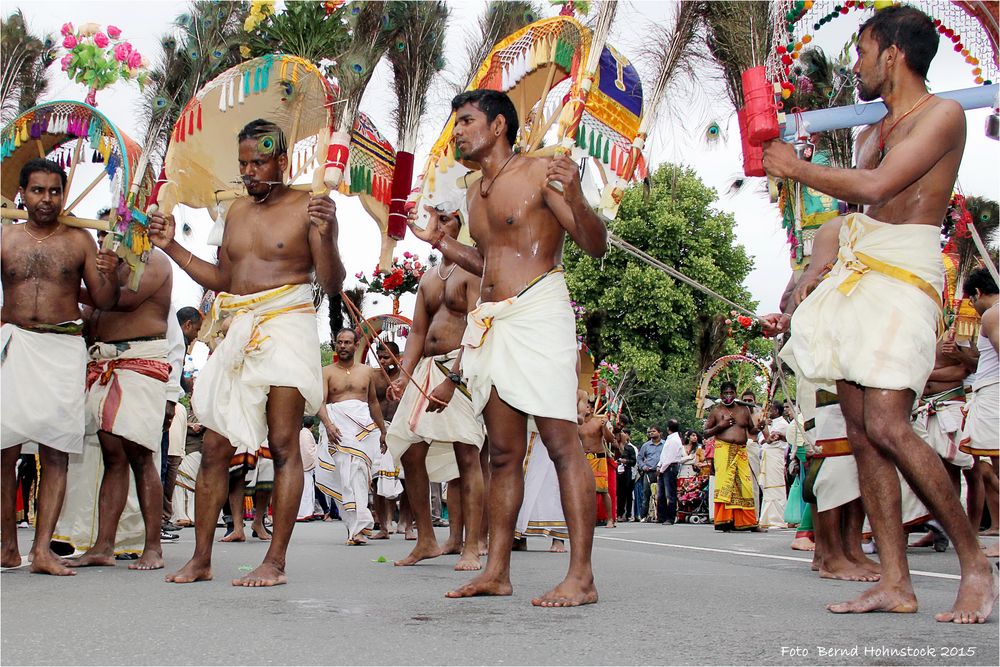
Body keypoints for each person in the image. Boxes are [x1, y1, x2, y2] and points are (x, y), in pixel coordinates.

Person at [761, 6, 996, 621]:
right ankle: (896, 580)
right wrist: (809, 278)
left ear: (892, 51)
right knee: (863, 430)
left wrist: (796, 167)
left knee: (890, 423)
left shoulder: (941, 116)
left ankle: (976, 563)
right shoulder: (872, 132)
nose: (856, 64)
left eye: (862, 50)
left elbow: (877, 189)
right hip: (859, 277)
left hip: (903, 275)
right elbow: (853, 217)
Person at [407, 89, 603, 606]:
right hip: (493, 322)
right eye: (455, 124)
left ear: (498, 126)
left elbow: (594, 244)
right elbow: (489, 262)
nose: (458, 132)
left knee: (563, 444)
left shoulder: (542, 172)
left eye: (467, 121)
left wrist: (577, 196)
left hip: (539, 311)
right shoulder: (475, 191)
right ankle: (496, 570)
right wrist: (440, 243)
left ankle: (581, 576)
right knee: (503, 454)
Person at [151, 118, 344, 586]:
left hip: (288, 323)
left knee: (282, 444)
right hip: (238, 327)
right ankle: (201, 558)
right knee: (215, 443)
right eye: (243, 164)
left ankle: (274, 562)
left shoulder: (309, 204)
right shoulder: (234, 211)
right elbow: (222, 281)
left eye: (259, 162)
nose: (250, 171)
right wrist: (171, 244)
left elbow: (331, 283)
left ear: (282, 160)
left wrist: (329, 231)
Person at [2, 159, 121, 574]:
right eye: (38, 191)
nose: (46, 200)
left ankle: (40, 552)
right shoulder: (7, 237)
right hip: (14, 345)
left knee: (56, 453)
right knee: (4, 450)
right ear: (23, 193)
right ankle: (6, 549)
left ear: (63, 194)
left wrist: (110, 272)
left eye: (55, 191)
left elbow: (104, 301)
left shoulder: (81, 240)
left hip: (62, 349)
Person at [65, 221, 174, 571]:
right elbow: (95, 309)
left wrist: (67, 285)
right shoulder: (107, 272)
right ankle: (102, 546)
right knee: (113, 458)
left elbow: (119, 301)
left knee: (141, 454)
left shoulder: (153, 261)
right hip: (104, 363)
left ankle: (153, 548)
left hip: (140, 362)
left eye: (109, 240)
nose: (103, 249)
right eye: (99, 241)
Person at [386, 209, 485, 570]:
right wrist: (403, 374)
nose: (439, 225)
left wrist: (454, 378)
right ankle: (426, 540)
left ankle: (472, 545)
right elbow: (416, 332)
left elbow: (479, 326)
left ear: (463, 226)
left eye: (448, 219)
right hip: (426, 370)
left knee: (467, 455)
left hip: (460, 368)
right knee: (411, 453)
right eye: (436, 218)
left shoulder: (474, 268)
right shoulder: (428, 277)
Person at [315, 328, 387, 545]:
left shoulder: (367, 371)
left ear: (356, 345)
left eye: (348, 342)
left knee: (360, 476)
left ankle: (359, 527)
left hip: (363, 429)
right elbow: (320, 401)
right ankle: (355, 526)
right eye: (340, 342)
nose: (343, 346)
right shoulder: (326, 371)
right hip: (337, 428)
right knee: (345, 476)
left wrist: (383, 431)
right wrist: (328, 425)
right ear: (335, 345)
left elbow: (373, 402)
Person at [957, 268, 999, 559]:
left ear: (977, 294)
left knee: (996, 465)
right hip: (990, 392)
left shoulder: (993, 314)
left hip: (994, 394)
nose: (973, 307)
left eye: (971, 301)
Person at [704, 382, 759, 531]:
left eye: (731, 393)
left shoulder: (744, 410)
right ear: (721, 394)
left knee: (745, 486)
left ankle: (747, 522)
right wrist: (720, 426)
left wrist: (761, 426)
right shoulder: (716, 411)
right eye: (725, 393)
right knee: (725, 486)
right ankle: (724, 521)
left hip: (741, 450)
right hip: (723, 449)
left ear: (735, 393)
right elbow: (705, 432)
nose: (728, 396)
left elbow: (752, 430)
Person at [371, 341, 405, 540]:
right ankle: (383, 525)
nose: (383, 361)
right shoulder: (373, 377)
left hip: (401, 429)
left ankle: (405, 524)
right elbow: (369, 403)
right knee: (377, 478)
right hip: (378, 430)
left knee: (406, 479)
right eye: (380, 357)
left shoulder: (405, 377)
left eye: (387, 357)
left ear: (397, 357)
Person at [580, 402, 615, 528]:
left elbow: (611, 439)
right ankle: (587, 518)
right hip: (584, 458)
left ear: (592, 409)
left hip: (599, 458)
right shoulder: (578, 423)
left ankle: (610, 519)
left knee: (602, 490)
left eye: (587, 407)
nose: (585, 409)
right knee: (584, 490)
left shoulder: (598, 421)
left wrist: (604, 427)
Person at [759, 403, 790, 530]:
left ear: (776, 411)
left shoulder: (783, 424)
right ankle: (767, 518)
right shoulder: (771, 423)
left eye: (770, 410)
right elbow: (762, 440)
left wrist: (766, 428)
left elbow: (773, 439)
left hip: (776, 457)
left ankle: (777, 519)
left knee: (776, 487)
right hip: (767, 457)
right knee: (767, 488)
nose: (768, 412)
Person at [655, 420, 684, 525]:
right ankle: (661, 516)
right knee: (661, 494)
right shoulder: (670, 439)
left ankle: (670, 518)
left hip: (670, 467)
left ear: (668, 428)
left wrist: (661, 469)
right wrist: (659, 465)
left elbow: (670, 457)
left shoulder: (674, 440)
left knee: (670, 494)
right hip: (665, 467)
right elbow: (664, 455)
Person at [635, 427, 664, 522]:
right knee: (646, 494)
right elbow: (639, 458)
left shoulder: (665, 444)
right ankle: (643, 516)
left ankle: (660, 515)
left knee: (660, 494)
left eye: (654, 431)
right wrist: (643, 467)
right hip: (649, 472)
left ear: (660, 433)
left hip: (661, 472)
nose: (651, 433)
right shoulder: (646, 445)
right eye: (650, 432)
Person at [615, 420, 637, 521]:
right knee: (619, 494)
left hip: (627, 473)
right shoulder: (613, 446)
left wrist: (625, 461)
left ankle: (628, 514)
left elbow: (633, 461)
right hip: (617, 472)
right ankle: (618, 513)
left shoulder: (630, 448)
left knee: (627, 494)